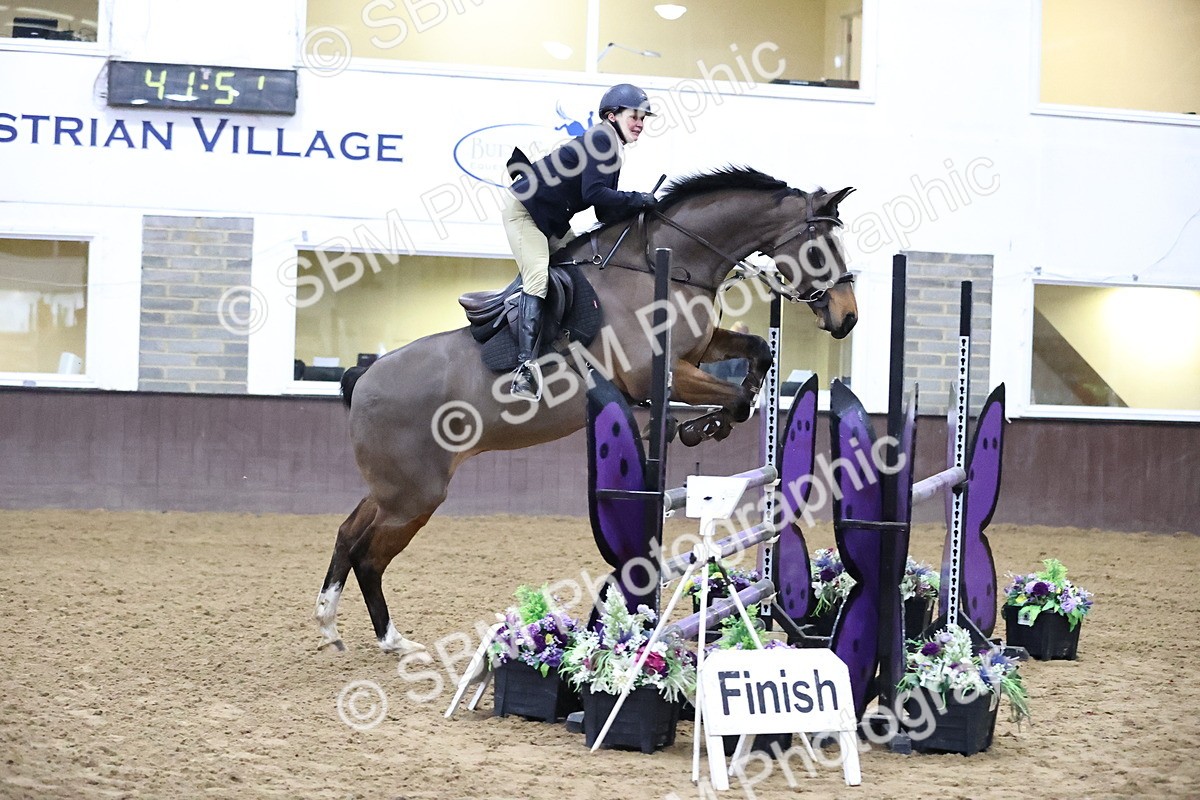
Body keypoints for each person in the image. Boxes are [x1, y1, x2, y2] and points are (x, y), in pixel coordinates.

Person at [502, 83, 659, 400]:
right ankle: (524, 371)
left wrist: (636, 211)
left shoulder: (612, 146)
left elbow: (602, 208)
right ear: (612, 116)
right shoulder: (601, 139)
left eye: (644, 117)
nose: (641, 123)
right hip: (526, 215)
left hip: (551, 222)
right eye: (635, 116)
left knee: (584, 272)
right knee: (538, 279)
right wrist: (638, 198)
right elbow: (594, 195)